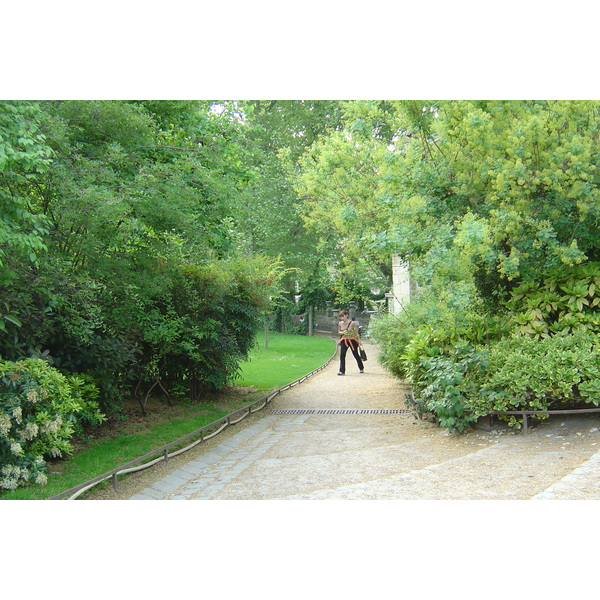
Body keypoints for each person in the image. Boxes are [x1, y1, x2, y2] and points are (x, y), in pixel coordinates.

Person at [337, 310, 364, 375]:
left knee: (355, 354)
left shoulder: (352, 323)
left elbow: (356, 332)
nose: (342, 318)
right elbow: (339, 331)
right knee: (342, 355)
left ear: (347, 315)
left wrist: (359, 341)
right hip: (344, 340)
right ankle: (342, 371)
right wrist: (343, 332)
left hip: (352, 340)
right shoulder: (340, 323)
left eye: (343, 316)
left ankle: (361, 367)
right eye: (341, 317)